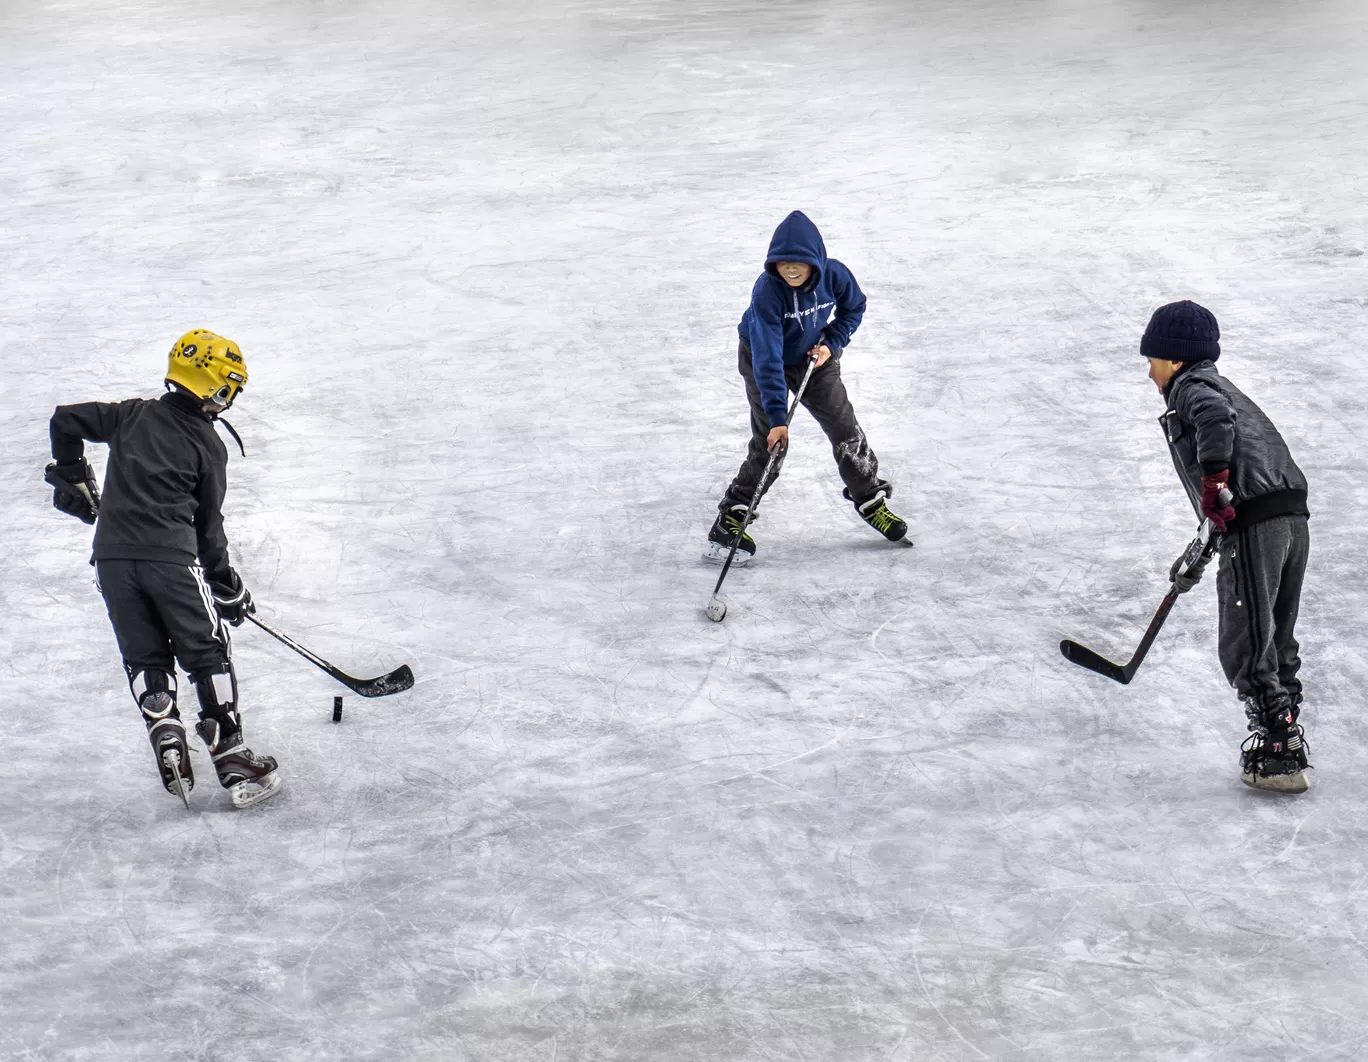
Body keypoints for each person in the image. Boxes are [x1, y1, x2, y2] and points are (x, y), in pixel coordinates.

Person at [45, 330, 280, 809]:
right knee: (206, 652)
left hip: (111, 562)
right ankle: (231, 755)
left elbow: (64, 419)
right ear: (217, 385)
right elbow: (208, 530)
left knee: (146, 656)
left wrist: (71, 470)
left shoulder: (130, 415)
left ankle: (165, 725)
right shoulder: (208, 446)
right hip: (172, 562)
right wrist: (227, 587)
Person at [1144, 301, 1311, 792]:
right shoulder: (1223, 386)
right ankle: (1283, 732)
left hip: (1259, 522)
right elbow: (1227, 507)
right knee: (1272, 634)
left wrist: (1214, 485)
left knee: (1245, 637)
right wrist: (1203, 539)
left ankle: (1279, 751)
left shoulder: (1195, 388)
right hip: (1288, 517)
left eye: (1152, 359)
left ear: (1175, 359)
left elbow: (1216, 426)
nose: (1148, 371)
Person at [706, 210, 906, 564]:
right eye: (783, 263)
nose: (792, 269)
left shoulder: (835, 275)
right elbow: (768, 358)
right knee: (772, 441)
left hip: (815, 360)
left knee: (846, 429)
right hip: (763, 359)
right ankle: (733, 514)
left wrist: (832, 342)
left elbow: (854, 308)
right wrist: (778, 417)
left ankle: (870, 499)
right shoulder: (767, 292)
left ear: (816, 260)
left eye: (799, 262)